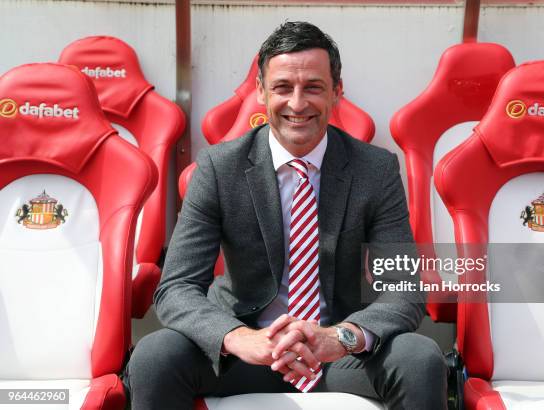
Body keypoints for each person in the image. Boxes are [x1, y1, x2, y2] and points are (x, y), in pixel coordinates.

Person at [124, 21, 447, 410]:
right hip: (245, 353)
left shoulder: (375, 170)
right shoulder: (218, 168)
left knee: (420, 359)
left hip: (337, 355)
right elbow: (176, 288)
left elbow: (403, 287)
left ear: (336, 92)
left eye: (312, 87)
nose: (297, 104)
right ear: (261, 91)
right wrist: (237, 337)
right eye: (282, 88)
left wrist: (340, 337)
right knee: (155, 356)